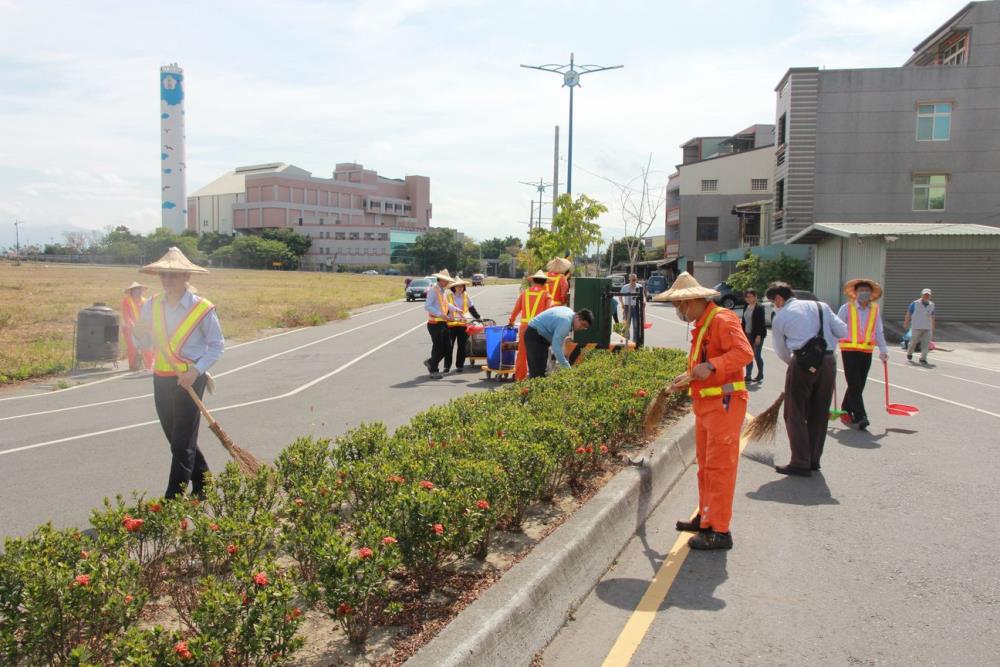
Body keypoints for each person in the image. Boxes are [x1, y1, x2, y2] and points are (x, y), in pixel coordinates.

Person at [653, 272, 753, 550]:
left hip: (725, 404)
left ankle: (719, 531)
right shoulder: (703, 324)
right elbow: (702, 365)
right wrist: (685, 378)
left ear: (696, 300)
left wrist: (711, 366)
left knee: (720, 468)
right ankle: (706, 517)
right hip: (708, 405)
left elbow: (745, 354)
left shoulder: (722, 319)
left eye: (681, 305)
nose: (679, 310)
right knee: (706, 467)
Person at [132, 247, 224, 500]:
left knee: (183, 439)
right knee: (173, 436)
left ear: (187, 277)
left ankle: (173, 497)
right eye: (163, 275)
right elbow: (146, 342)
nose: (167, 280)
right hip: (162, 376)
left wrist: (195, 371)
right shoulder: (152, 305)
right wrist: (139, 335)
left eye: (173, 275)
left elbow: (217, 345)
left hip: (190, 380)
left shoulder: (202, 309)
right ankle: (204, 480)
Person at [768, 281, 848, 477]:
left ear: (779, 298)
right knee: (819, 412)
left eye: (773, 302)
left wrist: (796, 364)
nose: (773, 306)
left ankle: (800, 461)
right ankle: (813, 460)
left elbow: (780, 350)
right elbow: (843, 331)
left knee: (794, 412)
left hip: (801, 363)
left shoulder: (781, 317)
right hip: (828, 362)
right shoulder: (822, 306)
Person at [837, 279, 889, 431]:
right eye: (861, 290)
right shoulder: (846, 308)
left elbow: (878, 330)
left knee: (859, 384)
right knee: (854, 383)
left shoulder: (874, 309)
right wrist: (830, 349)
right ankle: (861, 416)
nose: (864, 293)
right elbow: (837, 326)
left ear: (871, 294)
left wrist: (884, 350)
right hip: (849, 351)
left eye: (867, 290)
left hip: (866, 351)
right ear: (855, 293)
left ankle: (845, 409)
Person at [523, 306, 592, 379]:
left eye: (585, 327)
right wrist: (567, 367)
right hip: (535, 336)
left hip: (538, 335)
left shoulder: (569, 312)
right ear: (578, 317)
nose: (581, 328)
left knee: (540, 372)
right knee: (537, 374)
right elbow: (556, 348)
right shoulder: (566, 323)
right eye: (582, 324)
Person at [508, 270, 552, 381]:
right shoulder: (546, 295)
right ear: (545, 282)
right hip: (538, 330)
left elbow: (516, 310)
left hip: (524, 328)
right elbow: (548, 313)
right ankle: (535, 380)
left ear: (533, 281)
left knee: (522, 355)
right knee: (535, 355)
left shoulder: (525, 293)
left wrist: (511, 321)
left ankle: (519, 379)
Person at [444, 277, 482, 373]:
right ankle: (446, 366)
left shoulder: (465, 295)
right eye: (458, 286)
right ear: (454, 287)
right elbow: (445, 309)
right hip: (451, 325)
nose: (460, 288)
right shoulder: (448, 296)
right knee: (449, 346)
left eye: (462, 286)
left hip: (463, 324)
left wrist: (478, 317)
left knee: (462, 346)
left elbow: (471, 308)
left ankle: (460, 365)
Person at [423, 269, 455, 380]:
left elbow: (446, 304)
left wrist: (455, 309)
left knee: (448, 348)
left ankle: (431, 362)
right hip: (435, 323)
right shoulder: (433, 290)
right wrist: (440, 315)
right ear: (440, 280)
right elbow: (427, 306)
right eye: (446, 280)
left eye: (448, 281)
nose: (447, 283)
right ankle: (433, 370)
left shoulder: (442, 291)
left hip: (443, 323)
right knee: (438, 347)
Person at [121, 281, 154, 371]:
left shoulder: (145, 301)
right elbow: (126, 315)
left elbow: (148, 315)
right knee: (132, 347)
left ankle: (149, 366)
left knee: (147, 346)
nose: (138, 292)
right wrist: (132, 325)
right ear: (131, 291)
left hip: (142, 328)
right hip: (129, 328)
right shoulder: (126, 301)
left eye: (139, 290)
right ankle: (132, 366)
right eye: (135, 290)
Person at [740, 288, 766, 383]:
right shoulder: (746, 306)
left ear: (755, 297)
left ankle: (760, 374)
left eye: (750, 296)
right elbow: (744, 321)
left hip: (756, 335)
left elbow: (761, 324)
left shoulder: (759, 308)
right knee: (748, 355)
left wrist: (758, 336)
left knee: (757, 355)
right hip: (747, 334)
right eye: (746, 297)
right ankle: (748, 375)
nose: (748, 298)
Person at [904, 288, 935, 364]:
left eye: (928, 295)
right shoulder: (915, 303)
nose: (926, 296)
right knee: (913, 342)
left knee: (926, 343)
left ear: (930, 296)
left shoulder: (932, 305)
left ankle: (923, 358)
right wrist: (906, 322)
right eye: (925, 295)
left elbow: (933, 316)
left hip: (927, 327)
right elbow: (909, 313)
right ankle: (909, 353)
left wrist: (933, 327)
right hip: (916, 326)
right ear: (922, 295)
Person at [619, 273, 642, 341]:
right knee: (627, 325)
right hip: (627, 307)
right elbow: (620, 296)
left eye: (634, 279)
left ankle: (634, 341)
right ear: (629, 280)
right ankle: (627, 339)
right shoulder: (625, 287)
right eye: (632, 280)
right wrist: (622, 304)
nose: (633, 281)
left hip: (636, 307)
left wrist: (644, 303)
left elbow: (643, 296)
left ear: (636, 279)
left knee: (635, 325)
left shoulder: (639, 286)